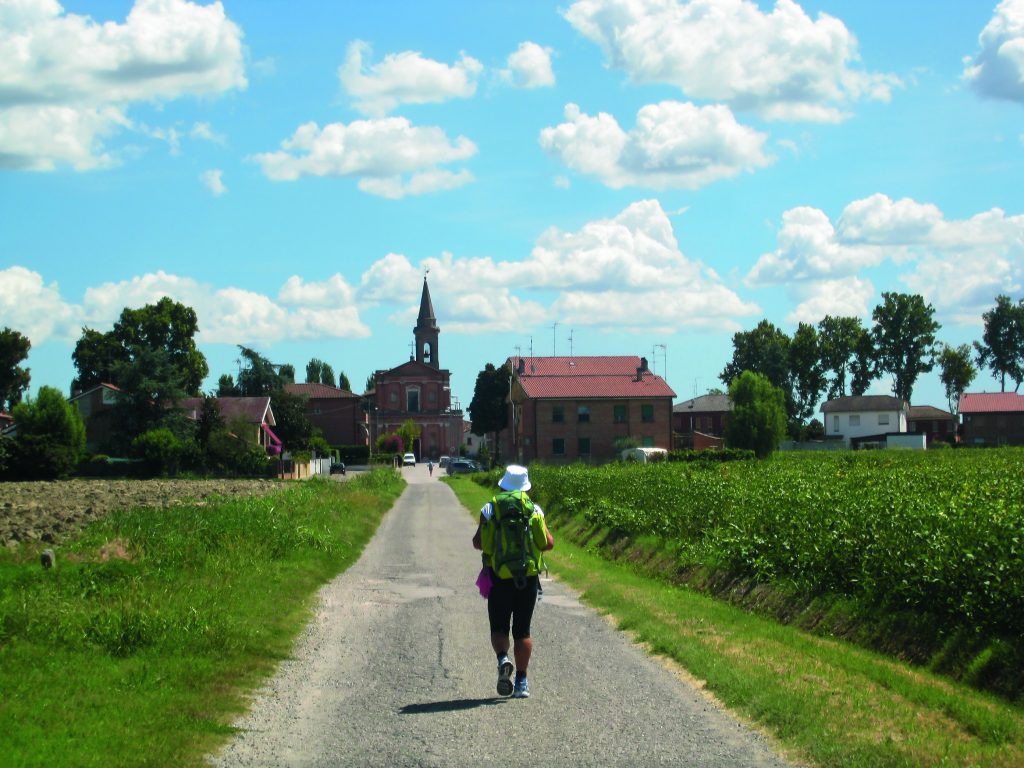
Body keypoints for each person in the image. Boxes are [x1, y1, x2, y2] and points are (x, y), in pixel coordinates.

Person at [472, 464, 554, 699]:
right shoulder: (534, 509)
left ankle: (502, 658)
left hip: (498, 577)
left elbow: (479, 543)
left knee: (498, 627)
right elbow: (547, 543)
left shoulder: (489, 509)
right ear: (525, 487)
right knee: (522, 631)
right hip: (526, 579)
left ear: (504, 483)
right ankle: (521, 681)